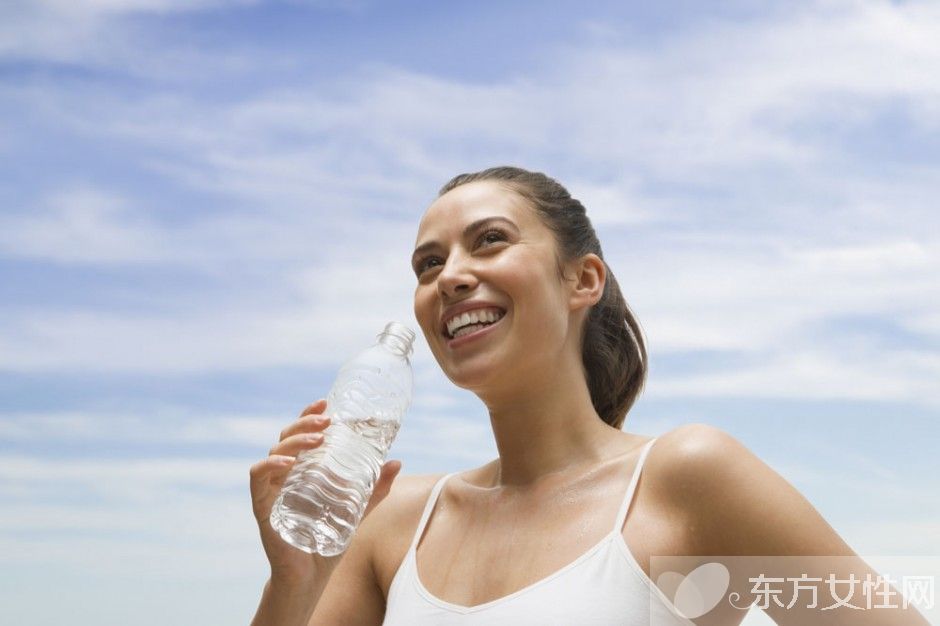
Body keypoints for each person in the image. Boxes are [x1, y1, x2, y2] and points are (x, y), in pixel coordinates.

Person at [249, 166, 928, 625]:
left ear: (583, 280)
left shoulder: (688, 478)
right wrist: (293, 583)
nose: (451, 276)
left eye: (490, 241)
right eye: (429, 264)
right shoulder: (390, 520)